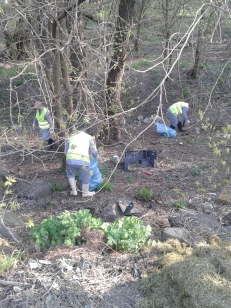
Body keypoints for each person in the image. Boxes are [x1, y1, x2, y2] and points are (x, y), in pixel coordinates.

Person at [65, 129, 98, 197]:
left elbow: (65, 151)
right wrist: (95, 157)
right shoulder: (89, 137)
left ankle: (74, 191)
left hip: (70, 160)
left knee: (70, 174)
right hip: (83, 160)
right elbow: (94, 152)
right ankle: (85, 192)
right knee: (85, 177)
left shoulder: (70, 137)